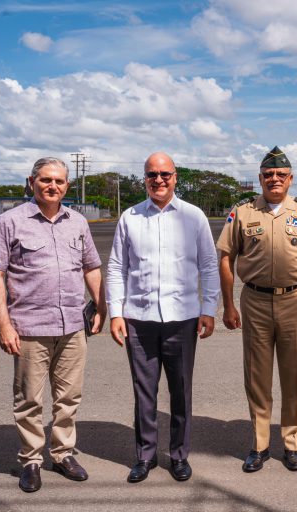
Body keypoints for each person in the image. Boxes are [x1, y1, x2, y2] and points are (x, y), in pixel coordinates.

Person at [0, 157, 106, 493]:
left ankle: (63, 453)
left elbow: (91, 267)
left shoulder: (77, 222)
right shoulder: (9, 222)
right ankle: (31, 460)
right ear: (32, 182)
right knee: (29, 400)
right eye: (46, 180)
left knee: (69, 397)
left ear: (67, 186)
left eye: (60, 181)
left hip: (72, 326)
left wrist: (102, 306)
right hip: (29, 328)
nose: (53, 186)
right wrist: (4, 325)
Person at [106, 152, 219, 483]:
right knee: (145, 391)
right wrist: (116, 312)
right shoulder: (130, 217)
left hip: (182, 319)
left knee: (181, 390)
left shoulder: (193, 216)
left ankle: (179, 455)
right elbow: (116, 267)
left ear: (175, 177)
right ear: (144, 178)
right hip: (138, 320)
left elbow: (209, 265)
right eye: (152, 174)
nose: (158, 180)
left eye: (165, 174)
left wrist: (209, 309)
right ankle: (145, 456)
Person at [218, 146, 297, 472]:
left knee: (293, 376)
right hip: (253, 301)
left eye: (281, 175)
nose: (275, 179)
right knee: (257, 377)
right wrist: (227, 305)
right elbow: (225, 256)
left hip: (294, 299)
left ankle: (293, 444)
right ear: (260, 179)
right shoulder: (242, 212)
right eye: (269, 175)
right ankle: (260, 443)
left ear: (290, 179)